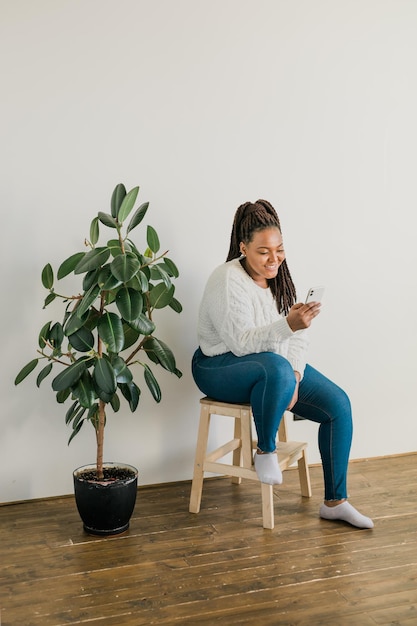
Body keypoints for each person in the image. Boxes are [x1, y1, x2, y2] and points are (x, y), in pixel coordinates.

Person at [192, 199, 373, 529]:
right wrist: (287, 329)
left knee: (338, 405)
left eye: (279, 249)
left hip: (272, 370)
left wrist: (295, 373)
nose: (273, 259)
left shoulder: (279, 278)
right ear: (243, 247)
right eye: (263, 252)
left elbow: (297, 338)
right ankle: (266, 450)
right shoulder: (227, 279)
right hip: (217, 366)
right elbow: (241, 344)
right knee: (274, 367)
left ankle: (335, 501)